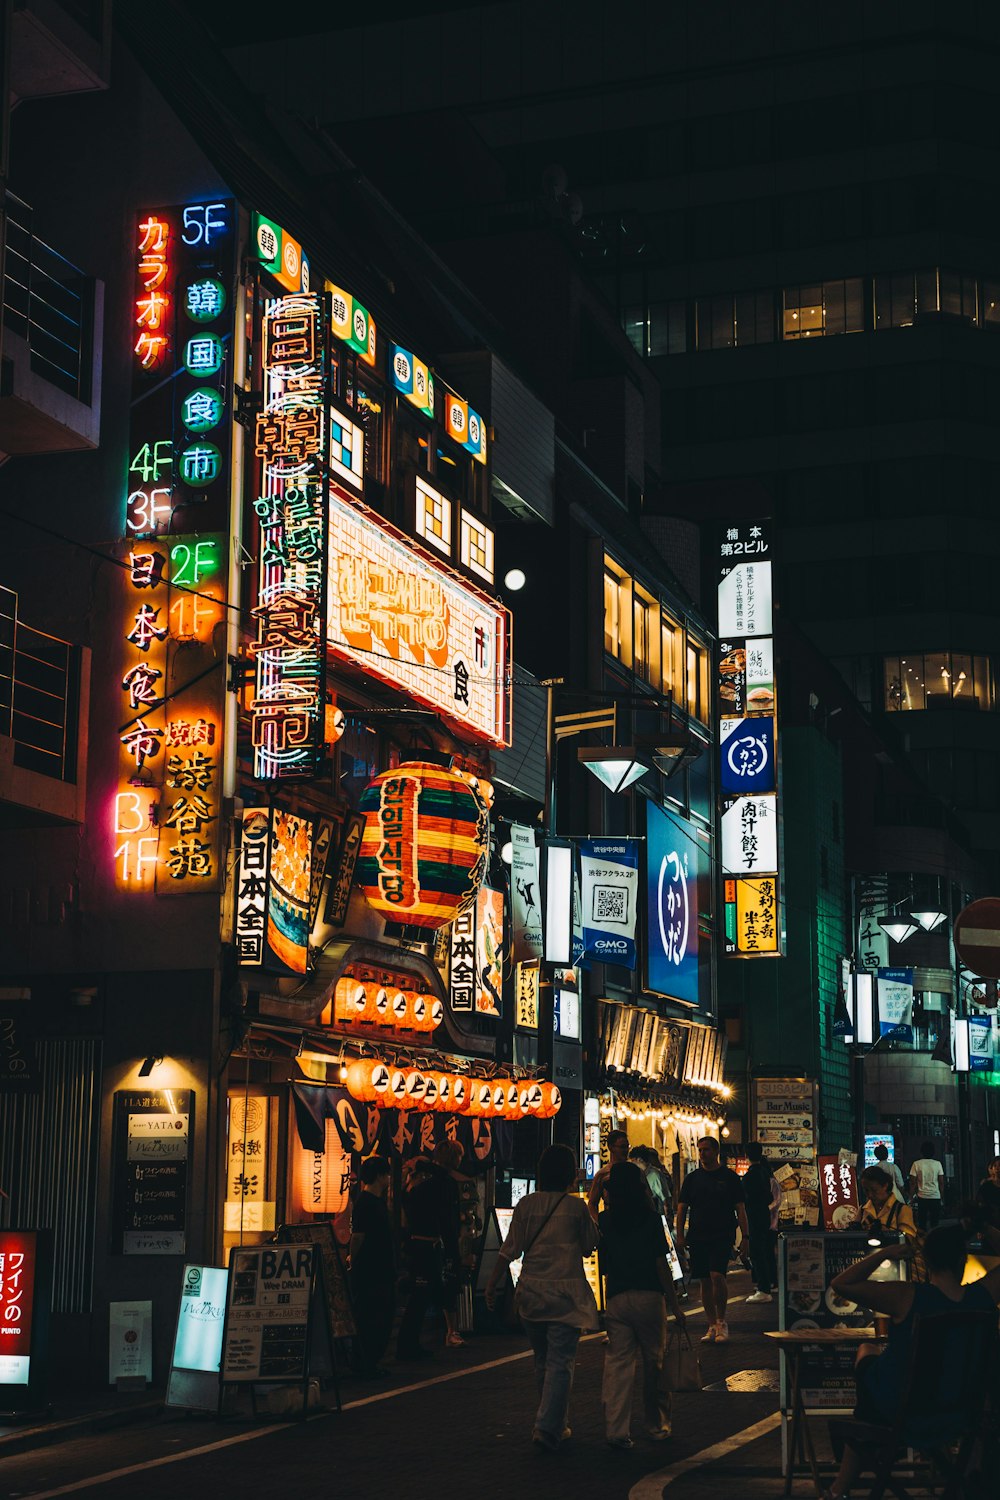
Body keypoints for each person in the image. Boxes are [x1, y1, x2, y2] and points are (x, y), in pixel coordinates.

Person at [821, 1225, 1000, 1500]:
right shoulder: (982, 1297)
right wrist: (983, 1225)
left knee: (867, 1352)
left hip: (903, 1410)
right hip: (961, 1410)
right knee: (873, 1377)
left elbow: (841, 1284)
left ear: (926, 1261)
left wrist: (885, 1253)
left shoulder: (908, 1296)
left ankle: (838, 1489)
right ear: (962, 1259)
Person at [484, 1143, 600, 1453]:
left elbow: (510, 1249)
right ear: (569, 1173)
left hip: (531, 1293)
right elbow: (590, 1245)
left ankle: (557, 1424)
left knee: (543, 1361)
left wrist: (493, 1282)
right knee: (561, 1362)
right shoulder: (576, 1207)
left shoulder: (526, 1204)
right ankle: (547, 1427)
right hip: (565, 1294)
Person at [599, 1162, 687, 1449]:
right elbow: (661, 1264)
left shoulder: (606, 1220)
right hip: (650, 1298)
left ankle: (616, 1430)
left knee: (618, 1365)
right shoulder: (651, 1220)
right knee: (655, 1364)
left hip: (617, 1298)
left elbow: (601, 1261)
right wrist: (674, 1305)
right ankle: (657, 1425)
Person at [675, 1136, 749, 1344]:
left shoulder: (729, 1177)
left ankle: (722, 1320)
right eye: (700, 1150)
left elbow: (740, 1209)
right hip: (698, 1234)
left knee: (717, 1275)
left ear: (716, 1152)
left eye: (706, 1150)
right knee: (704, 1280)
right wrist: (680, 1235)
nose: (702, 1154)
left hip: (721, 1234)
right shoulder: (692, 1179)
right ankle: (711, 1324)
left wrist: (745, 1236)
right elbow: (682, 1208)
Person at [396, 1150, 459, 1361]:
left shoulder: (412, 1189)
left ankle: (409, 1345)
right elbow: (448, 1220)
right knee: (420, 1298)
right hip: (426, 1248)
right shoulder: (435, 1186)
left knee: (420, 1298)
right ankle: (407, 1347)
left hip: (417, 1246)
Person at [349, 1156, 395, 1378]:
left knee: (377, 1316)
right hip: (371, 1271)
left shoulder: (373, 1201)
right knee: (372, 1317)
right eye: (386, 1174)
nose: (389, 1178)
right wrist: (352, 1261)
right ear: (379, 1176)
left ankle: (369, 1362)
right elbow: (357, 1238)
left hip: (378, 1269)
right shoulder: (366, 1202)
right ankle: (366, 1363)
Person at [432, 1140, 468, 1348]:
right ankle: (450, 1331)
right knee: (450, 1285)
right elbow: (448, 1217)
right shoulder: (447, 1183)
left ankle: (450, 1330)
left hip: (438, 1240)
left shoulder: (432, 1180)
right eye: (459, 1156)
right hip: (445, 1241)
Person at [742, 1143, 781, 1303]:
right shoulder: (766, 1174)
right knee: (765, 1252)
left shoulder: (750, 1176)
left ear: (746, 1156)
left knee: (757, 1252)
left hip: (754, 1217)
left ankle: (764, 1289)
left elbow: (745, 1199)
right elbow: (771, 1198)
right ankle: (766, 1285)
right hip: (765, 1216)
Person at [859, 1166, 918, 1243]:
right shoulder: (862, 1209)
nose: (869, 1195)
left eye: (874, 1190)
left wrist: (888, 1233)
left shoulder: (902, 1210)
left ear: (885, 1186)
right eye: (866, 1190)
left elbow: (909, 1240)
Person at [587, 1129, 629, 1218]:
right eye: (622, 1147)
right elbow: (592, 1204)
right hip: (613, 1222)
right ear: (611, 1147)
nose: (625, 1150)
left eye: (627, 1146)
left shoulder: (636, 1171)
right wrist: (600, 1223)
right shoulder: (603, 1174)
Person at [907, 1141, 945, 1232]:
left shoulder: (916, 1164)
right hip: (935, 1196)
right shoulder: (938, 1164)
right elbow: (941, 1183)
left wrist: (910, 1198)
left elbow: (912, 1183)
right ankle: (934, 1241)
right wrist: (942, 1197)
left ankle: (922, 1242)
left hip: (922, 1197)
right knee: (935, 1223)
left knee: (922, 1223)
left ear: (921, 1152)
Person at [974, 1155, 1000, 1233]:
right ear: (991, 1168)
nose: (997, 1168)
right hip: (990, 1223)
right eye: (995, 1165)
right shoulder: (986, 1186)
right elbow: (979, 1204)